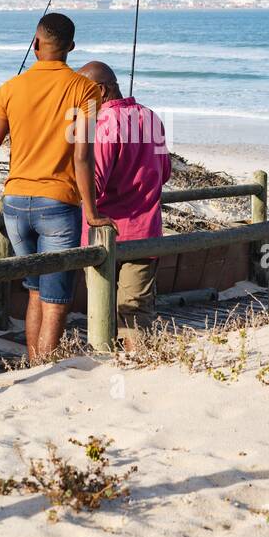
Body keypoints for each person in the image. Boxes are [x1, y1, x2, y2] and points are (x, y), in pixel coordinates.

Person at [0, 12, 114, 362]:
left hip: (14, 204)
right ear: (71, 47)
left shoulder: (9, 89)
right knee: (55, 298)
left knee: (33, 291)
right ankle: (44, 372)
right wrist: (92, 212)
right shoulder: (85, 88)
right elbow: (83, 157)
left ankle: (32, 364)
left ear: (36, 44)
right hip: (57, 204)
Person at [76, 61, 172, 349]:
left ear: (101, 90)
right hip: (146, 230)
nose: (78, 101)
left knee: (101, 309)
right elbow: (164, 171)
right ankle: (137, 367)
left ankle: (108, 367)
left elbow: (94, 185)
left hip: (104, 234)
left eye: (82, 93)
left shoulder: (104, 124)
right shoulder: (151, 117)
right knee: (136, 312)